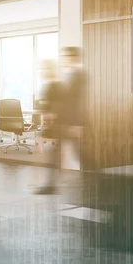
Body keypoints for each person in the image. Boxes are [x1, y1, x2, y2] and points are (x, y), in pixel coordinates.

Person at [36, 46, 86, 195]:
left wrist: (77, 124)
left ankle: (98, 180)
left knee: (80, 154)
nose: (42, 72)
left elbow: (74, 104)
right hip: (62, 124)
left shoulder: (62, 83)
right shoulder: (60, 82)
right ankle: (51, 184)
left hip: (66, 124)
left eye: (44, 69)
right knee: (57, 153)